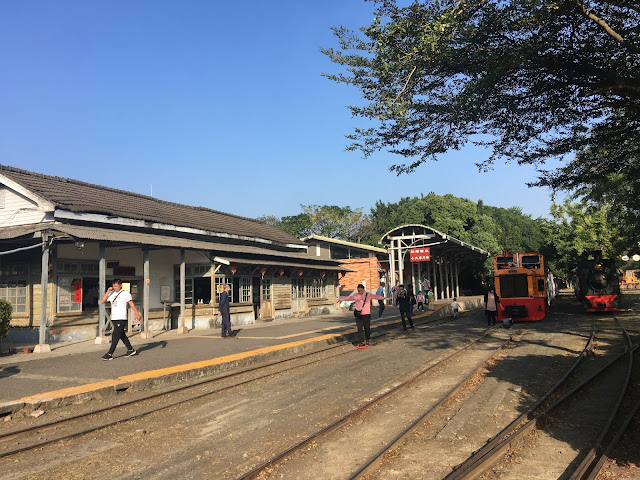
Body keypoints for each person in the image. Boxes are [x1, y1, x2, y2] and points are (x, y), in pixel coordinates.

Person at [100, 279, 140, 360]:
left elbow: (131, 304)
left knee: (115, 335)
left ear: (120, 285)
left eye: (116, 286)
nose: (114, 287)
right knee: (121, 334)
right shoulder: (112, 293)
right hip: (114, 317)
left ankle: (110, 353)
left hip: (121, 317)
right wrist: (108, 292)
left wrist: (137, 313)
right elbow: (102, 301)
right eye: (113, 286)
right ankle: (130, 349)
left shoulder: (125, 293)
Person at [339, 284, 386, 348]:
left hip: (366, 314)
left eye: (361, 290)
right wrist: (340, 299)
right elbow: (349, 298)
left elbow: (375, 297)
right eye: (358, 291)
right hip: (358, 314)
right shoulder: (356, 295)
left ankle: (367, 340)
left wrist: (384, 298)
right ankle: (361, 342)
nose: (360, 292)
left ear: (363, 289)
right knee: (360, 328)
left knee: (367, 328)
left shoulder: (368, 295)